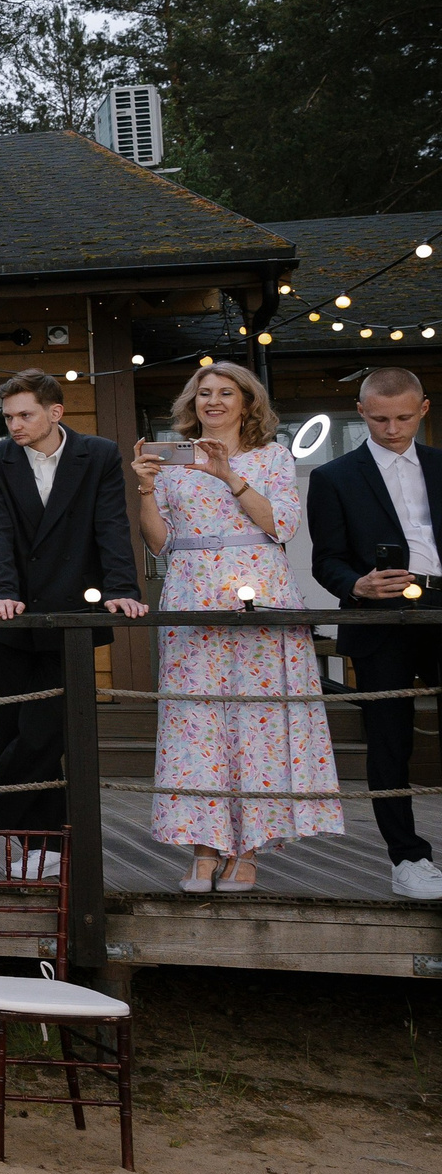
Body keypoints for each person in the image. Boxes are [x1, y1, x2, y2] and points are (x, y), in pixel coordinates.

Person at [132, 365, 339, 891]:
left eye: (226, 393)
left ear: (247, 403)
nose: (214, 401)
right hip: (191, 593)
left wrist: (229, 474)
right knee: (196, 723)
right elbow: (160, 543)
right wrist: (147, 489)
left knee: (259, 723)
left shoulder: (271, 456)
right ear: (192, 401)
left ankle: (247, 853)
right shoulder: (175, 460)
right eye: (205, 393)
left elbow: (282, 526)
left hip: (260, 594)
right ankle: (203, 850)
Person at [0, 370, 146, 834]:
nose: (14, 424)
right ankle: (36, 850)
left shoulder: (99, 454)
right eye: (8, 416)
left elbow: (111, 525)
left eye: (25, 414)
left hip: (71, 614)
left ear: (55, 412)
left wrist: (122, 589)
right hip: (8, 617)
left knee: (47, 733)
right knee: (15, 733)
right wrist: (3, 592)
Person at [307, 367, 442, 900]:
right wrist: (358, 585)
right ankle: (407, 859)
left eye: (404, 417)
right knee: (389, 739)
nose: (392, 428)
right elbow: (326, 561)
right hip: (378, 614)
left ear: (424, 409)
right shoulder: (333, 476)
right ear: (361, 412)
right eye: (381, 418)